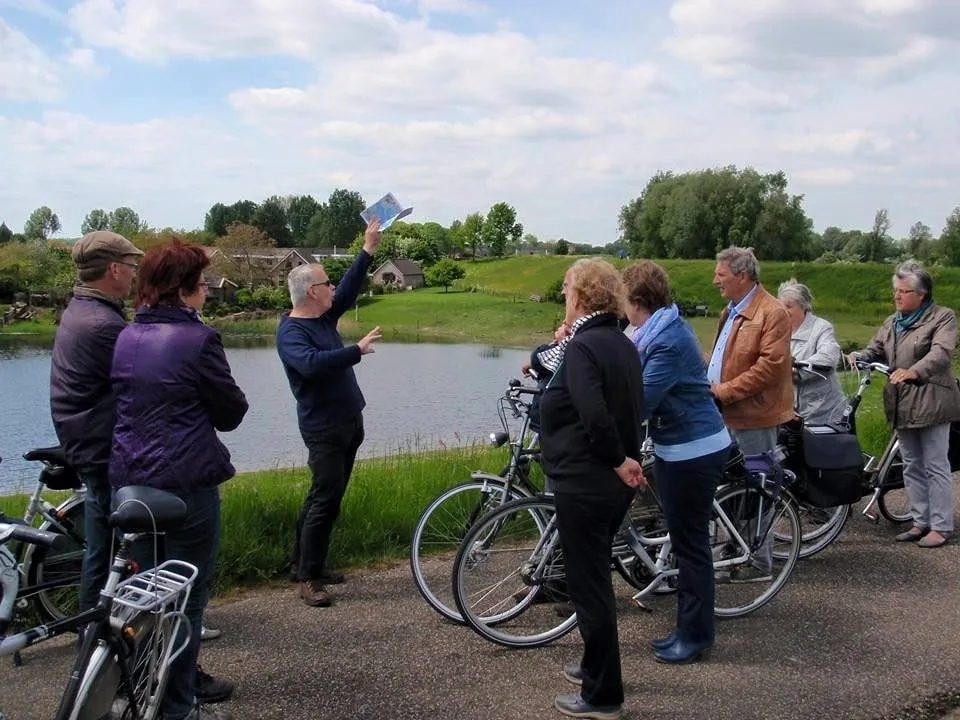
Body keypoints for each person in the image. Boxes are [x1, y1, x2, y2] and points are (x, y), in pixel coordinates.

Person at [111, 240, 249, 720]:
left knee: (141, 599)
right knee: (185, 602)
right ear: (187, 287)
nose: (208, 290)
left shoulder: (127, 336)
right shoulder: (198, 339)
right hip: (186, 482)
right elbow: (231, 413)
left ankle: (138, 693)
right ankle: (176, 707)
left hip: (131, 481)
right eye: (204, 282)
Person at [538, 258, 645, 720]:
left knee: (590, 587)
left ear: (580, 295)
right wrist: (624, 460)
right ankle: (592, 667)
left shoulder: (584, 348)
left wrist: (617, 460)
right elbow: (631, 410)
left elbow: (594, 414)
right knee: (593, 577)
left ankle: (603, 695)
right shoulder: (620, 342)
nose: (563, 296)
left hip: (587, 479)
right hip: (607, 479)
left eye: (566, 289)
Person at [622, 261, 731, 665]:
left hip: (694, 449)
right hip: (678, 446)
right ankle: (687, 629)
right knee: (686, 542)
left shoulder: (665, 339)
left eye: (624, 300)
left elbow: (642, 400)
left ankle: (696, 635)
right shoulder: (653, 330)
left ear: (638, 300)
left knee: (691, 546)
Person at [277, 219, 383, 608]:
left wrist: (368, 248)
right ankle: (307, 578)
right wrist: (355, 350)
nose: (333, 288)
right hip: (323, 428)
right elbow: (311, 364)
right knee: (323, 496)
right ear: (310, 292)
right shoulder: (291, 332)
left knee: (330, 495)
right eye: (326, 284)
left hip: (348, 420)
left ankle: (307, 563)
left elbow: (352, 285)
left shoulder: (322, 317)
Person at [49, 230, 143, 612]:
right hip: (101, 447)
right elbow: (143, 383)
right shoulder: (104, 325)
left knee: (102, 543)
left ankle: (97, 624)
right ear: (115, 269)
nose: (135, 275)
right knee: (109, 547)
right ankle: (98, 627)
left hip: (85, 438)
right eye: (132, 266)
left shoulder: (81, 309)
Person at [852, 261, 960, 548]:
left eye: (903, 291)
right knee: (911, 464)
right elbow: (876, 348)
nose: (896, 296)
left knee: (935, 464)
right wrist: (857, 355)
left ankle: (941, 526)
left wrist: (914, 371)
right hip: (901, 403)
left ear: (921, 294)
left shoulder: (942, 318)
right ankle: (920, 520)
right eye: (895, 290)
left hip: (932, 400)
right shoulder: (893, 322)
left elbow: (941, 352)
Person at [707, 246, 793, 582]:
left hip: (754, 416)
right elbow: (722, 357)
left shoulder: (771, 312)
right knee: (730, 486)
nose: (716, 280)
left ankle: (759, 564)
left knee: (758, 488)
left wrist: (725, 391)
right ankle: (734, 549)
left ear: (742, 275)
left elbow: (771, 367)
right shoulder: (730, 310)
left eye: (721, 275)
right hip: (725, 413)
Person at [777, 279, 847, 427]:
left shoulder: (821, 327)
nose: (783, 311)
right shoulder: (777, 330)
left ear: (803, 307)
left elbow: (829, 356)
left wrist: (797, 370)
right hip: (789, 413)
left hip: (824, 412)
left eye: (789, 306)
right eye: (780, 306)